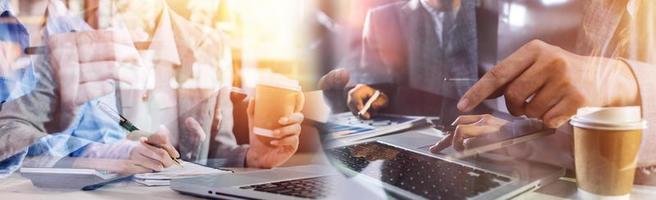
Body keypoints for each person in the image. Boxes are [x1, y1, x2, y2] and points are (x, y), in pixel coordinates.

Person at [320, 0, 656, 184]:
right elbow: (370, 73)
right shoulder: (386, 16)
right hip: (458, 156)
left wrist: (618, 79)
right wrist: (520, 135)